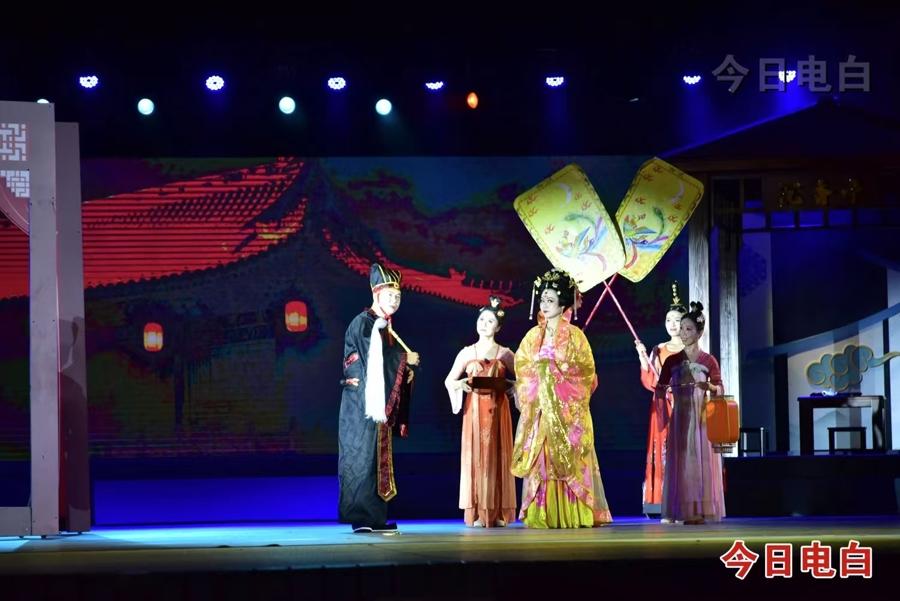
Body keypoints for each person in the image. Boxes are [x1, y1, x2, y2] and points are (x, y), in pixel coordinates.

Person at [511, 269, 612, 528]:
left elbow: (587, 373)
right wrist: (539, 379)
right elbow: (522, 367)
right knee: (543, 458)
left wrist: (556, 373)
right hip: (541, 410)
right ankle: (542, 512)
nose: (544, 305)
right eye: (542, 300)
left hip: (567, 411)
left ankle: (573, 512)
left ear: (563, 303)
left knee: (568, 457)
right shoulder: (533, 336)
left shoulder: (576, 336)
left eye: (550, 300)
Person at [338, 263, 419, 533]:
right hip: (360, 404)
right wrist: (404, 359)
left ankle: (375, 518)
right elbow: (372, 360)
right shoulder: (364, 323)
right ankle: (362, 518)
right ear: (376, 294)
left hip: (374, 402)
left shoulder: (383, 326)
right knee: (362, 457)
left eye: (398, 296)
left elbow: (386, 366)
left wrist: (404, 372)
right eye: (389, 295)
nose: (394, 301)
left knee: (376, 457)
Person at [444, 296, 517, 527]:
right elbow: (449, 381)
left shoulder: (505, 353)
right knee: (476, 456)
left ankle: (499, 513)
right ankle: (477, 512)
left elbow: (524, 380)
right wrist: (461, 384)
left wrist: (512, 386)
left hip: (498, 409)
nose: (484, 324)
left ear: (498, 327)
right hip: (474, 410)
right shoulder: (467, 352)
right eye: (482, 319)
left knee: (498, 455)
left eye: (490, 321)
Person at [656, 301, 726, 524]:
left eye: (688, 329)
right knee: (683, 462)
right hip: (681, 418)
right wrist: (666, 391)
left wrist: (710, 387)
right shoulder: (673, 360)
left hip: (702, 418)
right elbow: (659, 387)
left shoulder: (708, 360)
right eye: (682, 329)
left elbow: (720, 387)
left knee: (701, 462)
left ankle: (701, 509)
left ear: (699, 332)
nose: (683, 333)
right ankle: (683, 510)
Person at [634, 283, 686, 516]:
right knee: (663, 449)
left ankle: (686, 498)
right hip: (663, 406)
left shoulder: (693, 349)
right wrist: (642, 357)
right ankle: (661, 499)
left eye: (677, 320)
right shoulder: (659, 349)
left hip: (685, 406)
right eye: (668, 320)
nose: (672, 324)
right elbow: (650, 381)